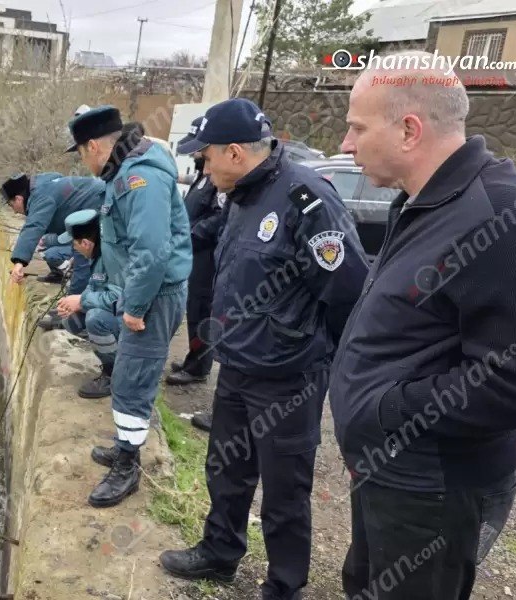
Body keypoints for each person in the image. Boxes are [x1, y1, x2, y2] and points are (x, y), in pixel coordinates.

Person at [330, 51, 516, 599]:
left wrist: (389, 413)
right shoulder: (424, 202)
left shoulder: (505, 217)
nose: (346, 144)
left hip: (435, 490)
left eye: (357, 127)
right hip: (391, 472)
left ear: (409, 130)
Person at [159, 98, 367, 600]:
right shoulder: (243, 195)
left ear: (233, 152)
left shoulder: (306, 199)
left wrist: (321, 360)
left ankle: (284, 585)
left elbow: (346, 290)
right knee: (226, 469)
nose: (201, 168)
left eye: (204, 156)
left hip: (289, 377)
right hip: (238, 366)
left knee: (284, 491)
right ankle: (219, 553)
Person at [67, 106, 192, 508]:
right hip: (144, 289)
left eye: (82, 153)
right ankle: (125, 448)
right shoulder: (125, 173)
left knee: (131, 379)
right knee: (127, 374)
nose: (83, 161)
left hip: (153, 294)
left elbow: (152, 252)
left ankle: (128, 468)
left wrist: (134, 307)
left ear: (92, 147)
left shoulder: (140, 178)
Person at [166, 116, 224, 388]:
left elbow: (217, 218)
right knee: (194, 309)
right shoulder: (203, 174)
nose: (196, 155)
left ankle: (199, 367)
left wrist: (189, 235)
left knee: (203, 311)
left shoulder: (217, 181)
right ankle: (193, 359)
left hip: (205, 257)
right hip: (193, 254)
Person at [55, 209, 122, 399]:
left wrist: (82, 301)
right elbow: (94, 287)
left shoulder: (112, 258)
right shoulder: (98, 254)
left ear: (85, 243)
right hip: (117, 314)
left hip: (135, 321)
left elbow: (119, 299)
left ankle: (115, 374)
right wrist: (74, 302)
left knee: (95, 319)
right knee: (72, 320)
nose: (74, 249)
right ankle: (108, 349)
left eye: (74, 244)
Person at [3, 172, 102, 295]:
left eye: (12, 206)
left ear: (19, 198)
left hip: (98, 209)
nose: (14, 212)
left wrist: (19, 263)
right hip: (92, 212)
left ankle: (74, 309)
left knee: (81, 263)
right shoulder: (43, 185)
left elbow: (34, 226)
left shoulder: (41, 195)